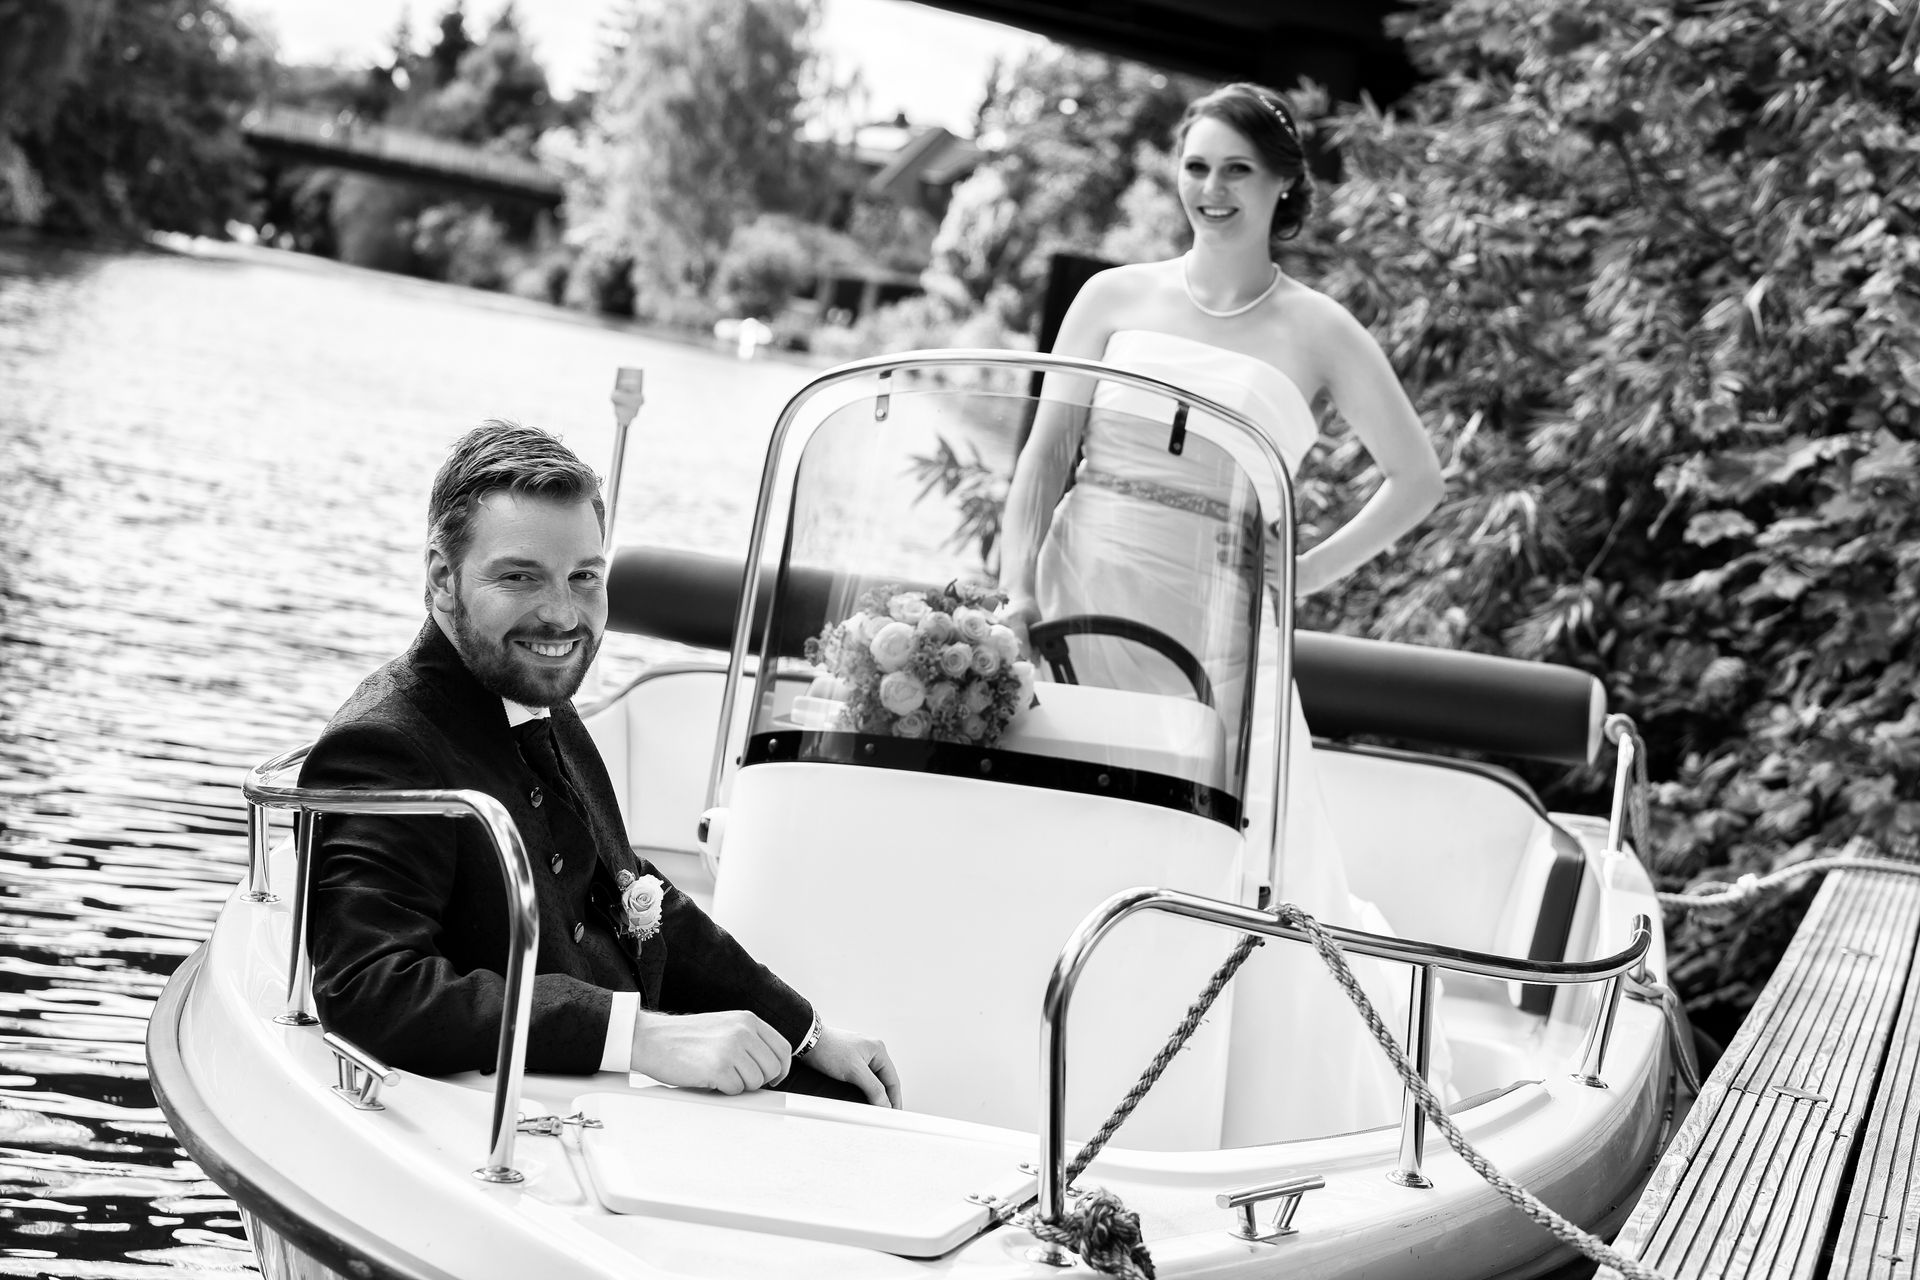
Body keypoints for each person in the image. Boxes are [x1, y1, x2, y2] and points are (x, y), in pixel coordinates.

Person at [998, 82, 1448, 1139]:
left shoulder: (1319, 328)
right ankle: (1044, 1062)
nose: (1212, 189)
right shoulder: (1111, 297)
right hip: (1079, 591)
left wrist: (1304, 574)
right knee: (1070, 818)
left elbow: (1417, 479)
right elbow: (1043, 460)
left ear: (1285, 184)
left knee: (1211, 849)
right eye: (1196, 166)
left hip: (1223, 626)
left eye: (1238, 169)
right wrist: (1016, 588)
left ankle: (1185, 1092)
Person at [302, 419, 901, 1108]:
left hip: (614, 1093)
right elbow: (370, 989)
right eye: (520, 577)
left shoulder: (541, 701)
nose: (563, 616)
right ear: (443, 578)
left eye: (584, 577)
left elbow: (633, 891)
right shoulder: (384, 746)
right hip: (517, 1122)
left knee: (854, 1099)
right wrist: (638, 1037)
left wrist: (805, 1031)